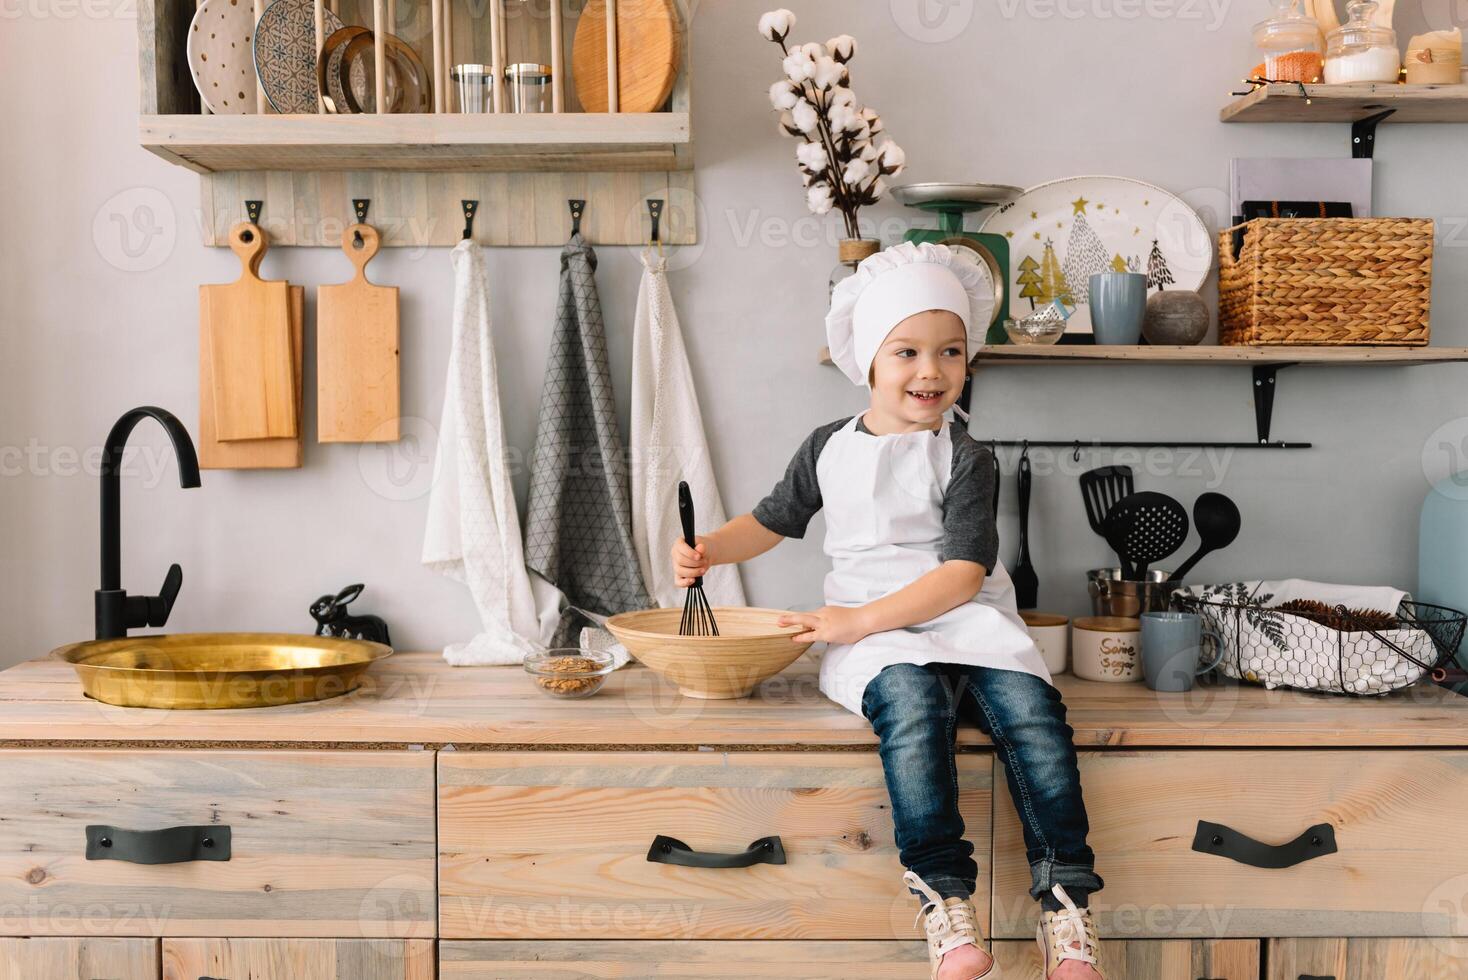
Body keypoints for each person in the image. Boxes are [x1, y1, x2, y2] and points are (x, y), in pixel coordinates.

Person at [669, 243, 1105, 980]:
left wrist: (853, 622)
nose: (930, 371)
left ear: (969, 363)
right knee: (910, 708)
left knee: (1034, 718)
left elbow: (963, 577)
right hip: (874, 640)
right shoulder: (826, 447)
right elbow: (773, 519)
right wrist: (712, 547)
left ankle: (1065, 907)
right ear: (868, 359)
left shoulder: (967, 454)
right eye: (906, 351)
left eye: (951, 352)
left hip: (965, 623)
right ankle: (944, 901)